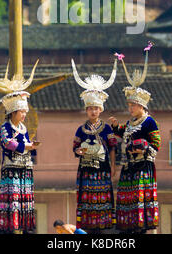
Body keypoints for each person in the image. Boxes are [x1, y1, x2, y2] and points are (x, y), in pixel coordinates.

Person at [109, 45, 161, 234]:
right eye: (129, 105)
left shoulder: (149, 122)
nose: (130, 108)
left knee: (139, 201)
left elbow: (156, 143)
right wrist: (116, 127)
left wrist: (143, 147)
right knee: (127, 200)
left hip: (142, 166)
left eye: (133, 105)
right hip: (128, 166)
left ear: (141, 106)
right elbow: (125, 134)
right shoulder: (131, 122)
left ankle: (139, 229)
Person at [71, 58, 118, 233]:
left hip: (103, 168)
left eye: (96, 108)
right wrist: (78, 150)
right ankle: (88, 228)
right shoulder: (80, 129)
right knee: (87, 199)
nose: (93, 111)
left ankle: (102, 228)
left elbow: (113, 147)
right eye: (90, 108)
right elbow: (75, 149)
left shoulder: (106, 128)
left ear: (101, 110)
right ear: (86, 110)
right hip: (86, 169)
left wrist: (113, 166)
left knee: (103, 198)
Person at [0, 90, 39, 234]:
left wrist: (31, 146)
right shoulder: (5, 127)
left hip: (25, 167)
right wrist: (26, 146)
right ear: (13, 112)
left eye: (25, 112)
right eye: (21, 111)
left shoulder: (24, 128)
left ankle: (24, 227)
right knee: (13, 198)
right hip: (11, 169)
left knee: (24, 198)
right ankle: (11, 228)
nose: (24, 114)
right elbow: (7, 143)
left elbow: (26, 142)